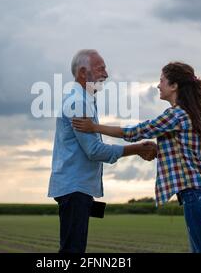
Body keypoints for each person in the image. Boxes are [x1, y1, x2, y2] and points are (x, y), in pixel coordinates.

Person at [72, 61, 201, 253]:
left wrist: (95, 127)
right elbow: (186, 154)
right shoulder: (191, 114)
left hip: (196, 194)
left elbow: (138, 131)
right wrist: (159, 151)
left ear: (174, 86)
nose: (158, 85)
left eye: (162, 81)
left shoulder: (176, 115)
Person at [48, 49, 157, 253]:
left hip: (77, 188)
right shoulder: (78, 102)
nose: (106, 74)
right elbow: (94, 151)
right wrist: (136, 149)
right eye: (101, 69)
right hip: (75, 188)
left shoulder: (85, 99)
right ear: (82, 73)